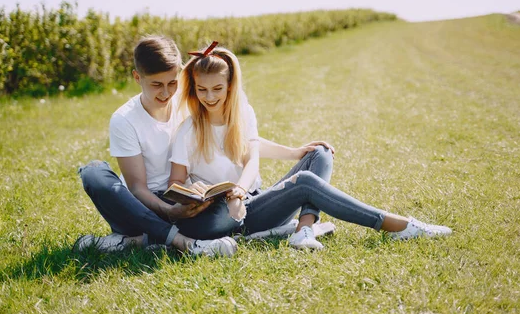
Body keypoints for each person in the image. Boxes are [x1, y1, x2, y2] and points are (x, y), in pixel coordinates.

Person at [169, 42, 452, 250]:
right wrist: (192, 196)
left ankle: (303, 231)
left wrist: (242, 190)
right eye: (202, 90)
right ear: (194, 89)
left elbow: (251, 157)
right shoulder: (188, 130)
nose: (209, 96)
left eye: (217, 89)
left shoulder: (243, 114)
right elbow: (176, 182)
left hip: (250, 202)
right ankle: (399, 225)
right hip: (219, 214)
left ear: (230, 86)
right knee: (304, 182)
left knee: (320, 153)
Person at [75, 36, 334, 256]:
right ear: (136, 77)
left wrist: (294, 152)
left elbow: (237, 140)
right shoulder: (124, 119)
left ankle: (143, 241)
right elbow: (137, 188)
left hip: (192, 201)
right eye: (156, 85)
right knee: (94, 172)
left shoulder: (188, 99)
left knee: (223, 212)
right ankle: (178, 241)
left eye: (171, 82)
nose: (166, 93)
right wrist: (171, 211)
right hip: (145, 207)